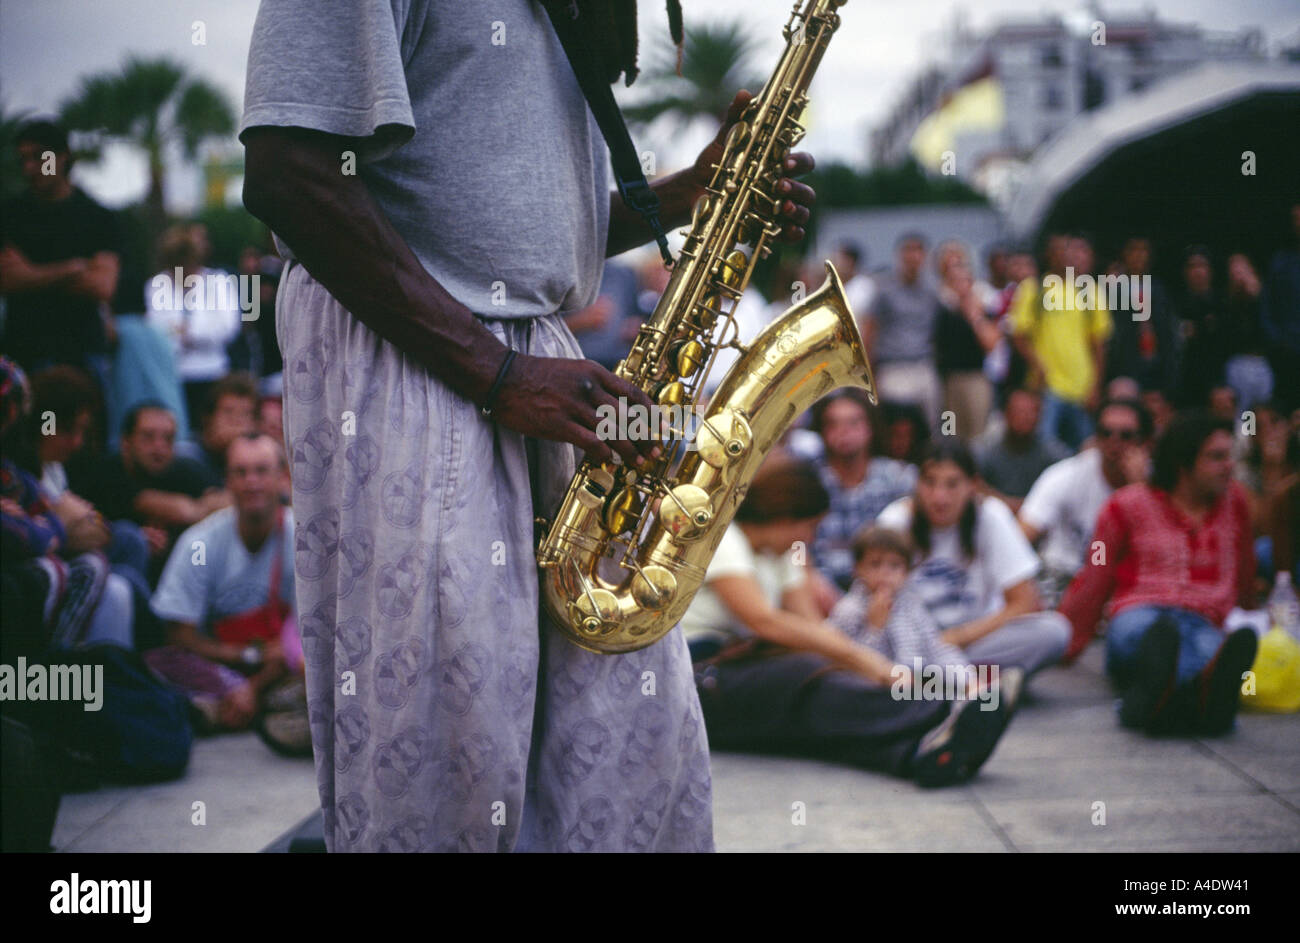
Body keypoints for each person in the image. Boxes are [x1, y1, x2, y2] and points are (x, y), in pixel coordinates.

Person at [238, 0, 818, 853]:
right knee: (450, 759)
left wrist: (694, 193)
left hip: (526, 364)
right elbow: (289, 171)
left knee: (629, 756)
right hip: (417, 365)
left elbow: (521, 215)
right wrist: (497, 373)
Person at [683, 457, 1019, 788]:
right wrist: (865, 661)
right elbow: (764, 621)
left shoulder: (785, 555)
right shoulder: (726, 541)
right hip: (705, 675)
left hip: (748, 667)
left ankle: (917, 754)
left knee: (816, 707)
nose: (811, 538)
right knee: (802, 674)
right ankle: (937, 710)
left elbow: (815, 629)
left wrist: (854, 662)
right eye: (810, 527)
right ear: (785, 516)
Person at [1058, 413, 1258, 735]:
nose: (1229, 467)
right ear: (1184, 463)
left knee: (1208, 654)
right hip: (1141, 614)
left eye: (1230, 457)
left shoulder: (1235, 501)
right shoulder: (1124, 505)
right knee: (1151, 642)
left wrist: (1254, 611)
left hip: (1203, 619)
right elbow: (1096, 572)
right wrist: (1067, 640)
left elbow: (1245, 564)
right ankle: (1194, 702)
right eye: (1216, 457)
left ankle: (1152, 703)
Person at [876, 440, 1069, 677]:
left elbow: (1024, 601)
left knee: (1054, 632)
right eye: (929, 482)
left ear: (973, 485)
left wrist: (958, 637)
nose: (939, 497)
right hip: (910, 641)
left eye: (952, 484)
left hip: (973, 638)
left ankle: (942, 681)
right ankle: (969, 681)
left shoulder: (992, 515)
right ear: (917, 483)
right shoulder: (895, 520)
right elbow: (877, 598)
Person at [146, 433, 299, 731]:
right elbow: (179, 636)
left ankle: (233, 708)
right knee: (159, 662)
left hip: (280, 666)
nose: (251, 482)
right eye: (240, 472)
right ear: (227, 480)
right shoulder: (200, 542)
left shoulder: (304, 537)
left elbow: (310, 633)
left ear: (282, 477)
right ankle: (244, 706)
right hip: (216, 666)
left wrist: (255, 684)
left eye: (261, 471)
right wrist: (246, 655)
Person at [0, 119, 121, 389]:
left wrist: (30, 274)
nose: (30, 167)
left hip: (82, 354)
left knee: (78, 429)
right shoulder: (10, 215)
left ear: (63, 156)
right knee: (33, 428)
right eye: (23, 159)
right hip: (24, 354)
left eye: (39, 157)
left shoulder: (97, 217)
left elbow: (102, 286)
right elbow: (6, 280)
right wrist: (71, 269)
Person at [1019, 397, 1153, 606]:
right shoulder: (1067, 475)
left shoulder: (1157, 486)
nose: (1114, 442)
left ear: (1144, 442)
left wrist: (1138, 491)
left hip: (1126, 588)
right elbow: (1022, 534)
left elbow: (1156, 555)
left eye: (1126, 435)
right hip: (1062, 578)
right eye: (1105, 433)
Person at [828, 526, 981, 695]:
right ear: (858, 569)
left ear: (907, 572)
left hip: (915, 683)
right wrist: (874, 628)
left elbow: (935, 647)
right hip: (875, 688)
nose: (884, 573)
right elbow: (850, 662)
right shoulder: (849, 610)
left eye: (894, 566)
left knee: (958, 687)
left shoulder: (911, 605)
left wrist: (967, 679)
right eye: (875, 564)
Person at [73, 400, 227, 545]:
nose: (159, 446)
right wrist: (199, 509)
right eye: (148, 436)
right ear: (126, 443)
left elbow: (227, 501)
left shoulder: (183, 468)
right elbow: (156, 505)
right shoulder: (107, 473)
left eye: (168, 438)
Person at [1010, 232, 1112, 449]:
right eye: (1058, 250)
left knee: (1085, 449)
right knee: (1045, 446)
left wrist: (1096, 386)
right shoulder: (1034, 288)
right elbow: (1018, 335)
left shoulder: (1089, 290)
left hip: (1081, 386)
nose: (1065, 255)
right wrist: (1038, 365)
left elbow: (1099, 344)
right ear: (1048, 255)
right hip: (1046, 387)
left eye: (1068, 250)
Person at [809, 389, 916, 593]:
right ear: (822, 431)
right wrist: (810, 579)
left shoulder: (899, 477)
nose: (844, 431)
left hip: (888, 587)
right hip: (822, 592)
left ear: (870, 428)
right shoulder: (808, 482)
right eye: (834, 424)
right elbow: (796, 548)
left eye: (853, 423)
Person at [145, 224, 244, 424]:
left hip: (213, 374)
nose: (183, 272)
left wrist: (188, 333)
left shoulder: (219, 281)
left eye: (188, 265)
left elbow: (229, 328)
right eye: (175, 267)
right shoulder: (157, 284)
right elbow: (156, 330)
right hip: (172, 376)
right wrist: (195, 333)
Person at [863, 233, 942, 427]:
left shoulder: (932, 292)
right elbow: (870, 332)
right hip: (893, 368)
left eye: (918, 251)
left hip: (924, 367)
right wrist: (868, 377)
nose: (913, 256)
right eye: (908, 250)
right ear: (900, 255)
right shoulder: (884, 290)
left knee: (930, 426)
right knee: (896, 426)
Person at [1104, 236, 1178, 398]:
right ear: (1124, 254)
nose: (1138, 255)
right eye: (1133, 250)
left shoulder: (1159, 289)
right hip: (1125, 366)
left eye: (1143, 250)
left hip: (1156, 364)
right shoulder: (1113, 287)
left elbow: (1168, 332)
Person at [934, 256, 999, 439]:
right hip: (949, 381)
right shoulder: (943, 311)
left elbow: (991, 344)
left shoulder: (983, 309)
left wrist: (974, 317)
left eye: (963, 280)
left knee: (977, 433)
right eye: (953, 281)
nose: (959, 285)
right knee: (952, 430)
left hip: (975, 378)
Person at [976, 387, 1069, 514]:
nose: (1024, 418)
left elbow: (1069, 480)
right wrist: (1008, 504)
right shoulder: (986, 448)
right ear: (1006, 414)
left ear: (1040, 416)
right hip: (994, 517)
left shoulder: (1052, 453)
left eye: (1030, 412)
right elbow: (972, 483)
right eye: (1018, 411)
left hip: (1038, 520)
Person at [178, 372, 258, 488]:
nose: (237, 422)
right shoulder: (185, 456)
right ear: (209, 418)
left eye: (245, 414)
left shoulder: (260, 457)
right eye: (228, 412)